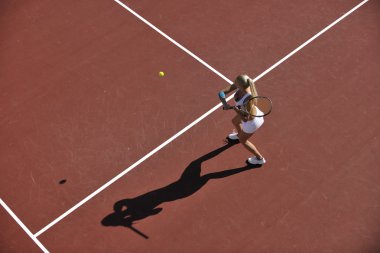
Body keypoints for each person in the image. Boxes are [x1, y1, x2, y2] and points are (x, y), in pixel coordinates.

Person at [218, 74, 266, 165]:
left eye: (236, 82)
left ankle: (259, 158)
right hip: (246, 114)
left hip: (252, 122)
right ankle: (239, 134)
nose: (234, 83)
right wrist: (225, 104)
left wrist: (237, 110)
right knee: (234, 121)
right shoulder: (239, 86)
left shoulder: (248, 99)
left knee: (243, 141)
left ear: (241, 85)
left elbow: (246, 119)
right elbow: (221, 93)